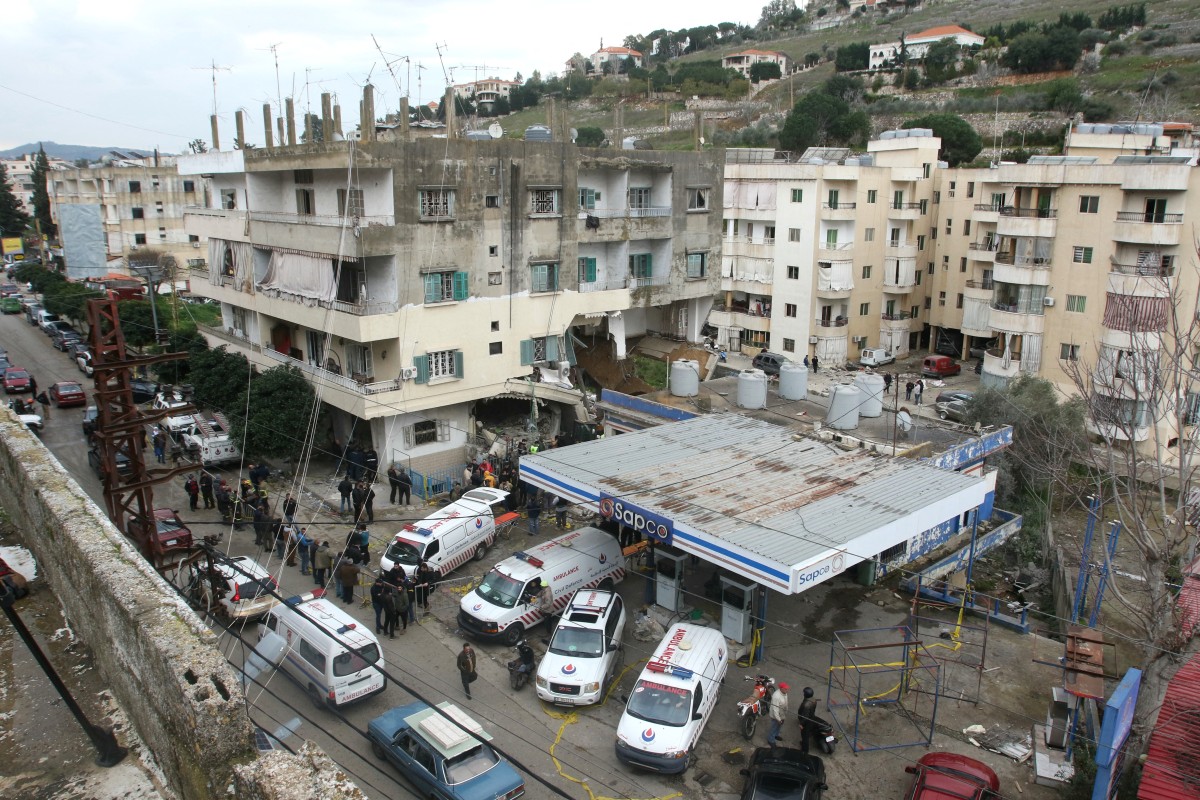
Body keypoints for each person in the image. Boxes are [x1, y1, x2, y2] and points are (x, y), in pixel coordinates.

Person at [797, 686, 818, 754]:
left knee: (804, 735)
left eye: (804, 693)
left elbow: (805, 716)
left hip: (806, 721)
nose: (803, 694)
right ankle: (803, 743)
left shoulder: (806, 705)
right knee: (806, 734)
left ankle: (805, 750)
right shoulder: (814, 699)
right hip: (812, 718)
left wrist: (801, 724)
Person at [768, 682, 790, 747]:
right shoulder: (776, 697)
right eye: (786, 689)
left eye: (787, 688)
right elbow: (775, 710)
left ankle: (776, 735)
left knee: (779, 726)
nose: (787, 690)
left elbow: (785, 702)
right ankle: (770, 740)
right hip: (776, 716)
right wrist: (778, 719)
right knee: (774, 727)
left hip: (782, 714)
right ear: (781, 688)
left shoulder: (784, 693)